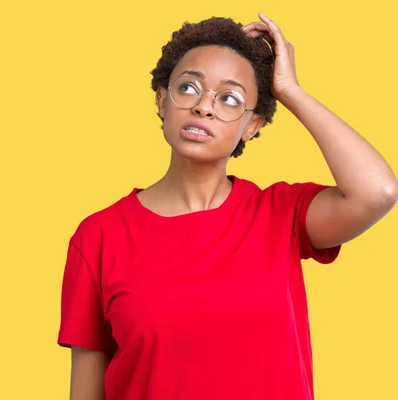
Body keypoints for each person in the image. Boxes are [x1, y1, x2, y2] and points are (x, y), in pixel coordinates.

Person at [57, 14, 397, 400]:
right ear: (161, 100)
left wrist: (289, 89)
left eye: (230, 99)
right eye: (188, 88)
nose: (204, 107)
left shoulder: (280, 214)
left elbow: (378, 192)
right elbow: (85, 392)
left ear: (252, 125)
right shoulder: (100, 236)